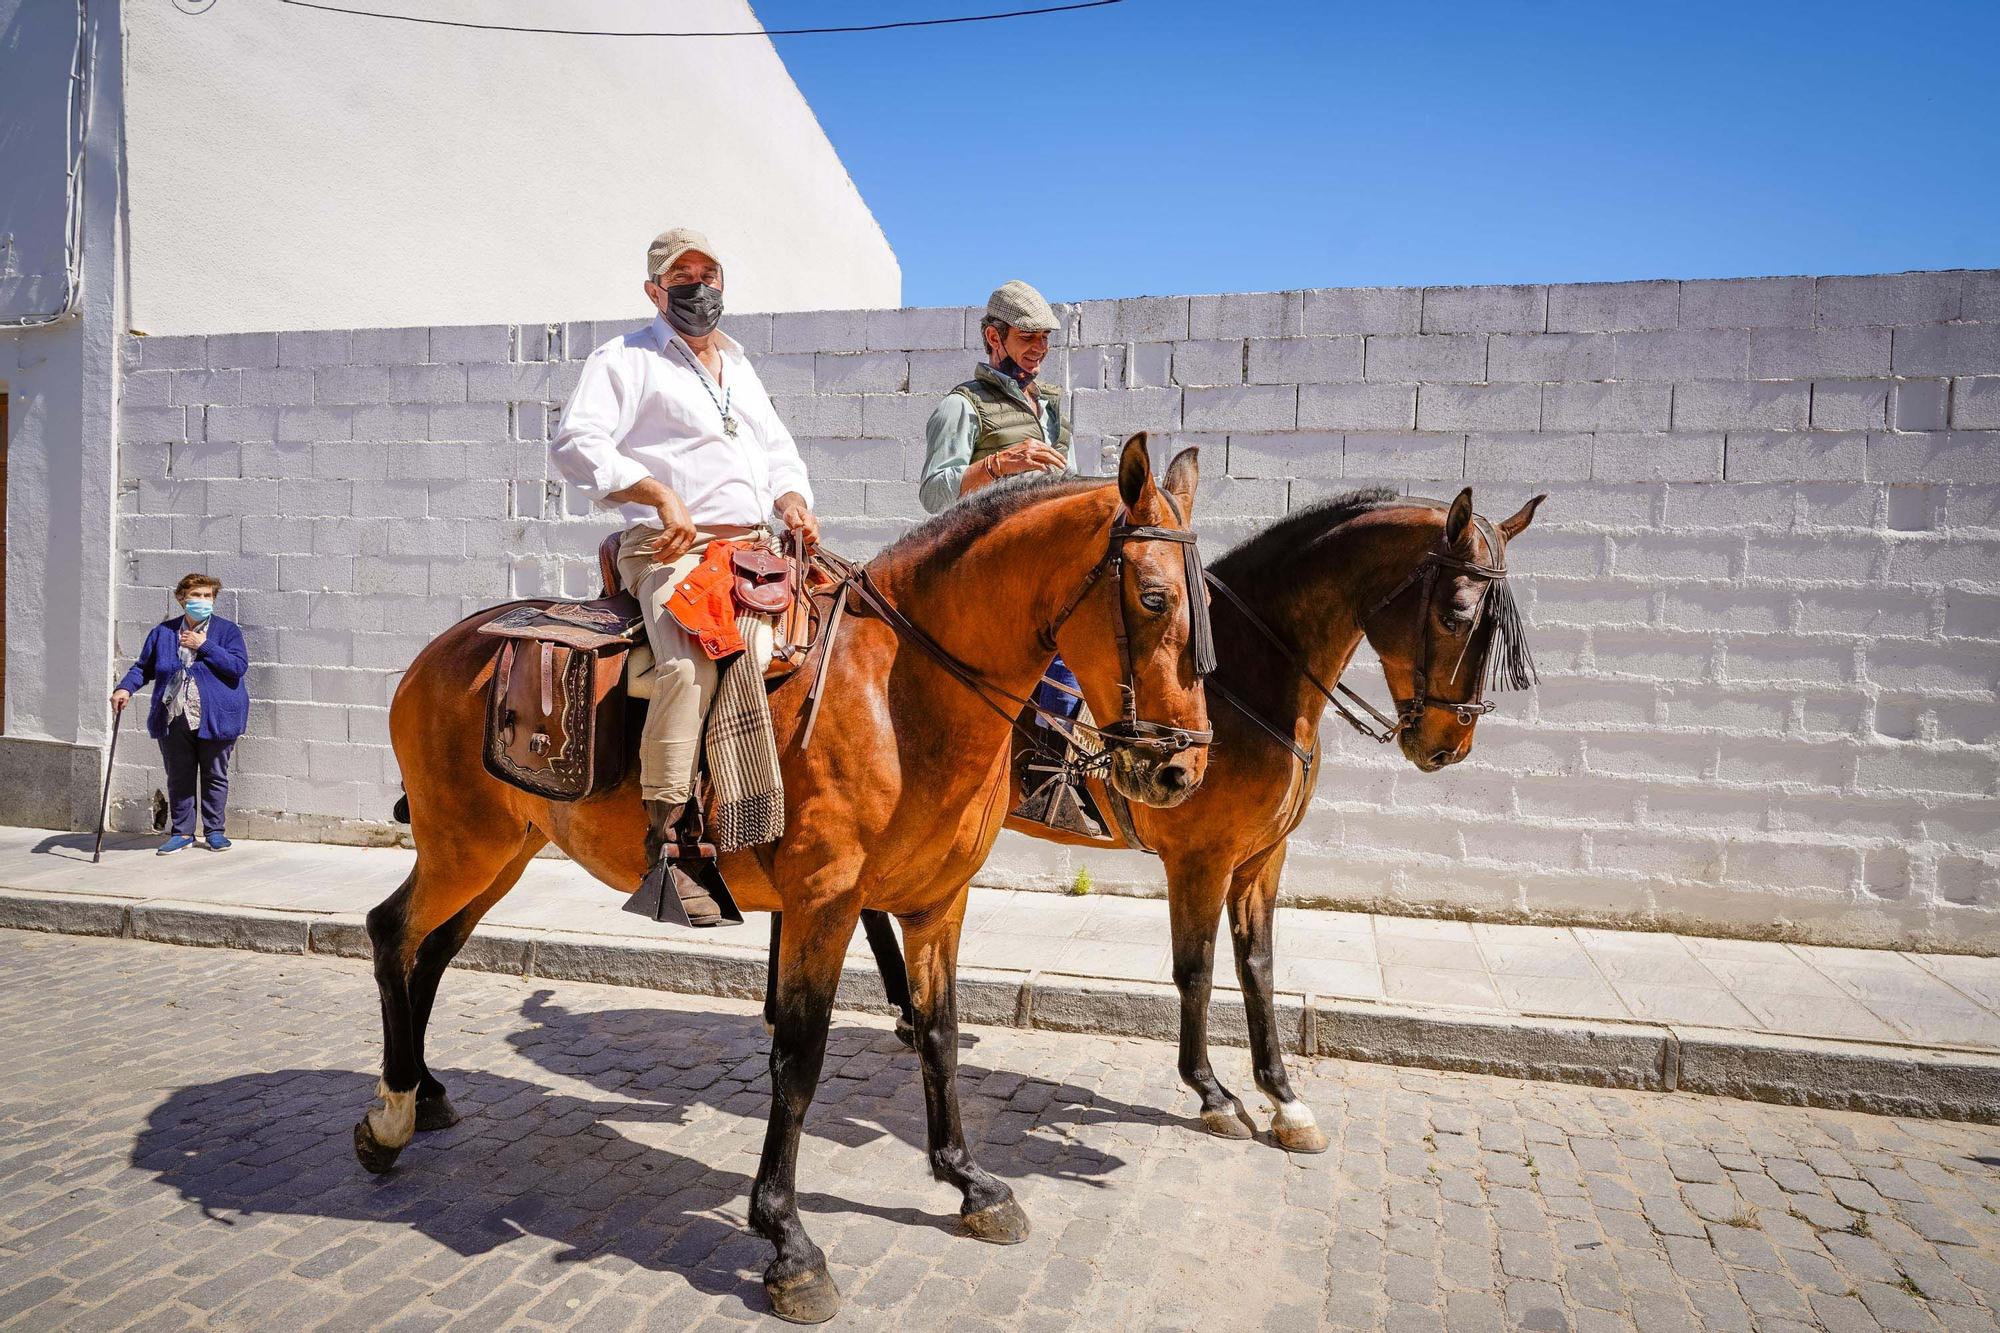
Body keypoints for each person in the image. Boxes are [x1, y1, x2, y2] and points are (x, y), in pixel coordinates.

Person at [551, 227, 819, 925]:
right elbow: (576, 445)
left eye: (709, 273)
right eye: (682, 275)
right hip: (672, 547)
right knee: (690, 660)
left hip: (754, 551)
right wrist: (652, 490)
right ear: (654, 290)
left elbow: (779, 451)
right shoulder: (625, 359)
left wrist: (792, 497)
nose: (698, 286)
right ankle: (670, 839)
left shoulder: (740, 364)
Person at [919, 280, 1099, 835]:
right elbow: (933, 493)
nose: (1038, 348)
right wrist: (1001, 464)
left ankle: (1067, 762)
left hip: (1039, 559)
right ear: (993, 337)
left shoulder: (1051, 407)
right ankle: (1041, 772)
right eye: (1027, 337)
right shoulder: (961, 404)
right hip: (985, 564)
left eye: (1045, 339)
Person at [111, 573, 250, 854]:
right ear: (181, 598)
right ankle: (183, 832)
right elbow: (143, 668)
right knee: (179, 775)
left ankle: (214, 831)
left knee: (215, 774)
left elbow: (237, 667)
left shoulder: (227, 631)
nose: (202, 601)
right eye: (196, 595)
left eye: (207, 596)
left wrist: (204, 645)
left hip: (217, 715)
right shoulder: (163, 633)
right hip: (175, 714)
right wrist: (125, 688)